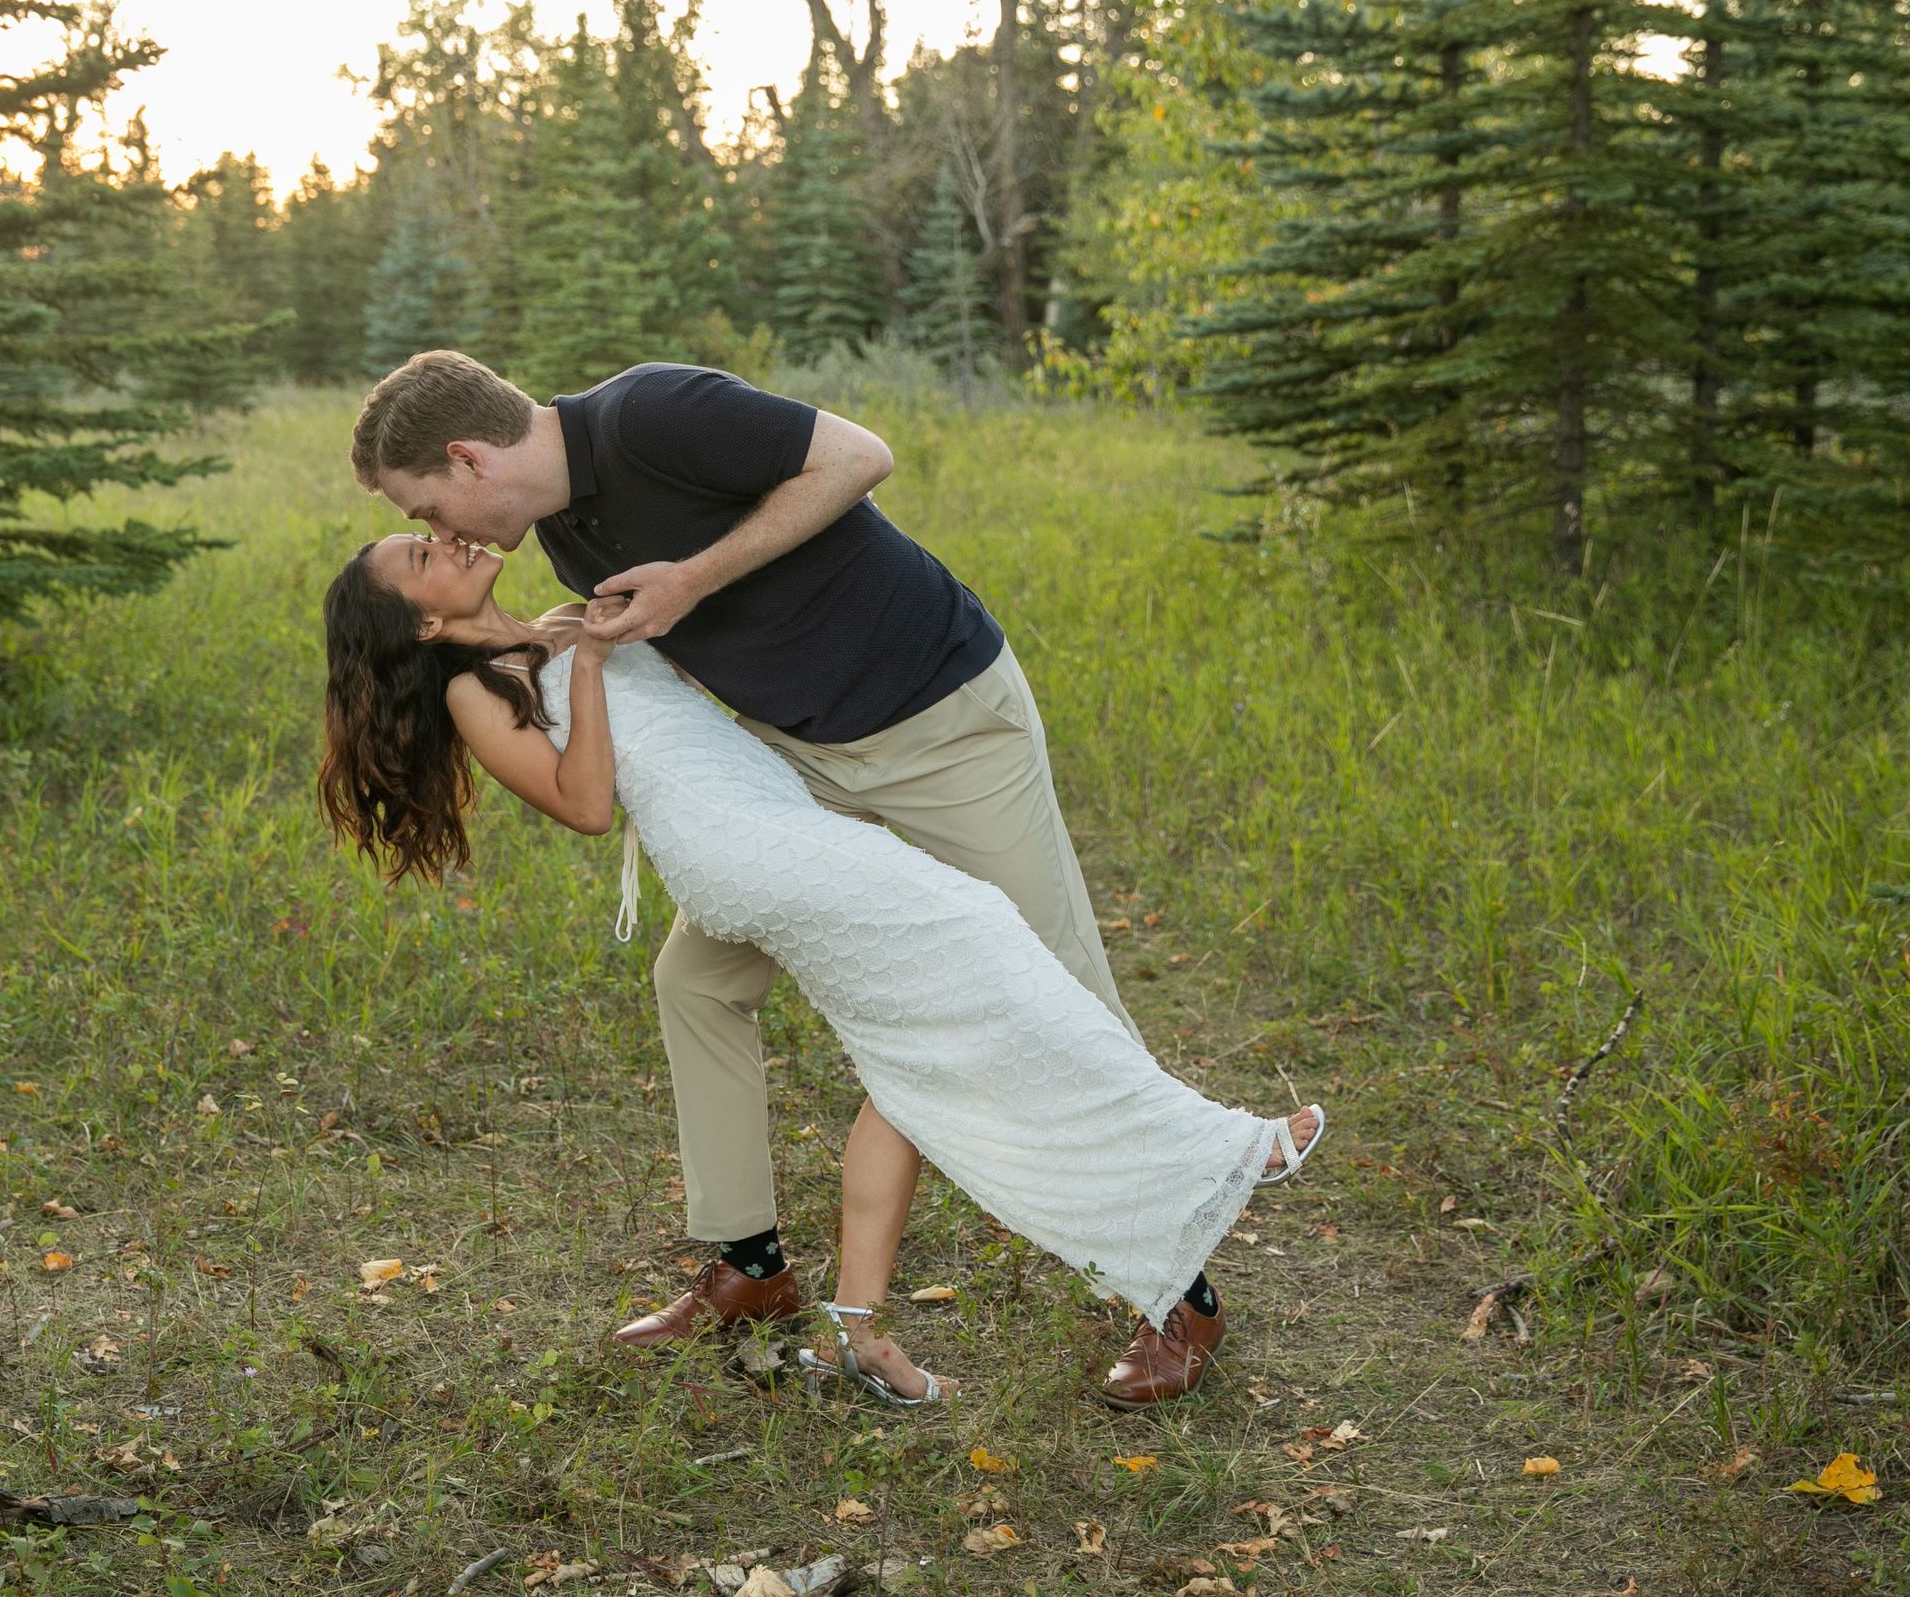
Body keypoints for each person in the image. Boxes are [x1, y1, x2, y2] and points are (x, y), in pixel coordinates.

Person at [317, 531, 1329, 1409]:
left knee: (911, 1063)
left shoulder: (563, 615)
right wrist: (586, 664)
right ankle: (1222, 1149)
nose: (446, 542)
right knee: (978, 926)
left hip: (773, 818)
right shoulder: (472, 688)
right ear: (423, 624)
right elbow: (583, 805)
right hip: (740, 851)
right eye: (422, 556)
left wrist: (600, 633)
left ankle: (861, 1330)